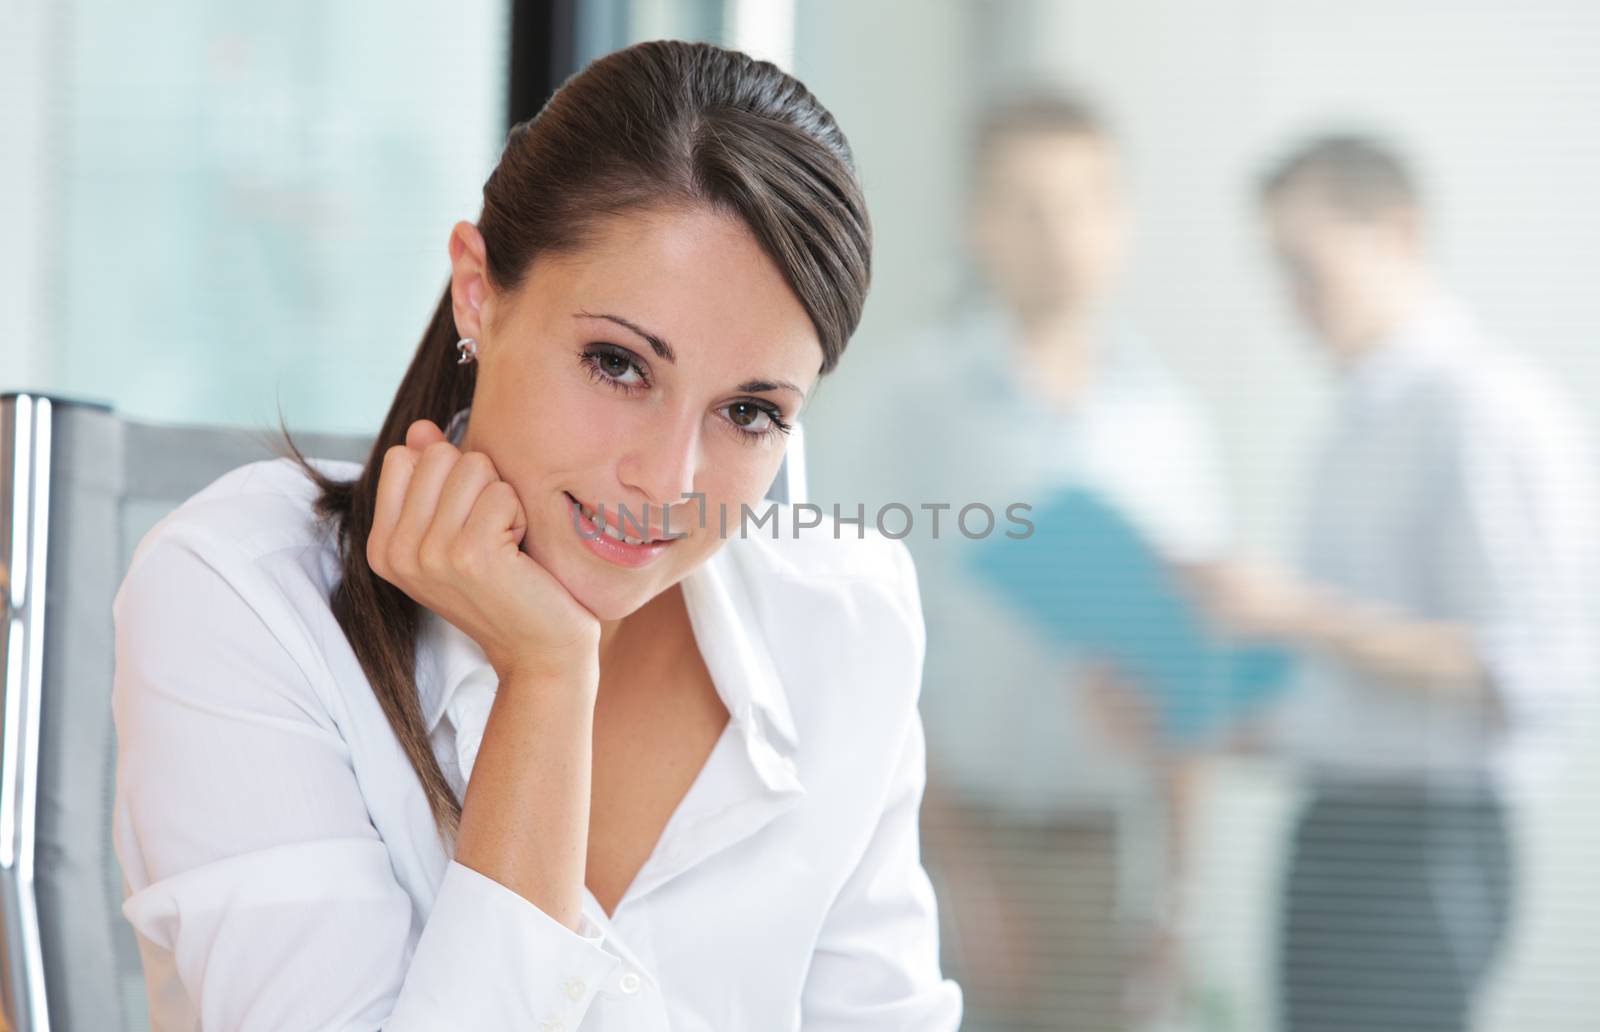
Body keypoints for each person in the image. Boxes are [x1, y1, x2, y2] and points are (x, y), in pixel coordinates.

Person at [110, 40, 963, 1031]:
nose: (668, 480)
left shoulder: (844, 622)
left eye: (750, 413)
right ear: (478, 290)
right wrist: (548, 679)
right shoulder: (243, 596)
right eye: (616, 362)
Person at [824, 87, 1230, 1030]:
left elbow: (1189, 674)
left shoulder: (1169, 430)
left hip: (1104, 860)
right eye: (1031, 206)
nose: (1064, 235)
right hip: (929, 852)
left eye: (1090, 201)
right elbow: (856, 658)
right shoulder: (908, 411)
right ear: (978, 225)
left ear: (1124, 218)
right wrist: (961, 872)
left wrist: (1180, 896)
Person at [1179, 133, 1600, 1031]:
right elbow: (1354, 694)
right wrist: (1220, 719)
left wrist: (1297, 614)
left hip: (1424, 845)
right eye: (1278, 270)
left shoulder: (1483, 410)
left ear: (1398, 233)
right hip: (1335, 825)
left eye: (1308, 266)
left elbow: (1521, 667)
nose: (1291, 299)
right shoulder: (1355, 425)